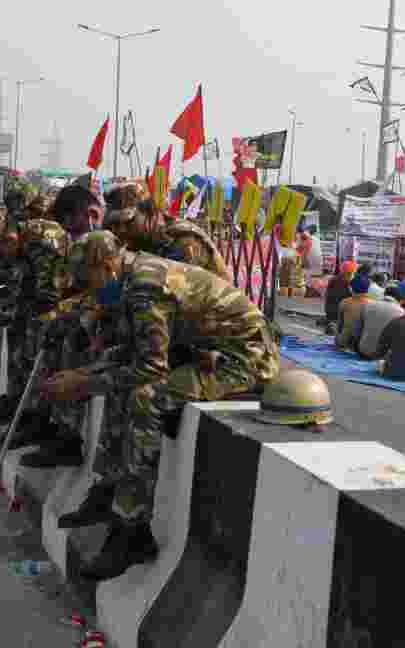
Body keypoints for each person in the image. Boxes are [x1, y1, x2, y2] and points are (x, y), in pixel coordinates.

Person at [41, 231, 279, 580]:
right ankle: (108, 490)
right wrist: (82, 373)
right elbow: (131, 352)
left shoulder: (143, 287)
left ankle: (131, 531)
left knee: (147, 397)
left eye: (88, 281)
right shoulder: (129, 279)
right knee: (115, 374)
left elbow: (150, 369)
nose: (90, 292)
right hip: (206, 350)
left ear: (107, 267)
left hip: (243, 360)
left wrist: (83, 384)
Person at [104, 187, 230, 281]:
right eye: (115, 224)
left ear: (149, 213)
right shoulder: (139, 240)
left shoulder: (182, 240)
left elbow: (173, 294)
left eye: (128, 222)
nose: (121, 230)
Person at [355, 287, 405, 359]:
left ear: (384, 294)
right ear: (399, 298)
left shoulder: (368, 304)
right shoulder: (401, 312)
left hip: (363, 350)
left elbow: (358, 329)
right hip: (383, 356)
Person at [336, 274, 376, 351]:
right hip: (364, 343)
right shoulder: (373, 303)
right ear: (368, 289)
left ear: (351, 288)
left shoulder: (344, 302)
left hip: (345, 342)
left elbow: (340, 325)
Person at [324, 261, 356, 330]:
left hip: (330, 311)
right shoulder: (348, 283)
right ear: (350, 272)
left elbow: (327, 295)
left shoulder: (333, 279)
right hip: (339, 313)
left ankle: (332, 323)